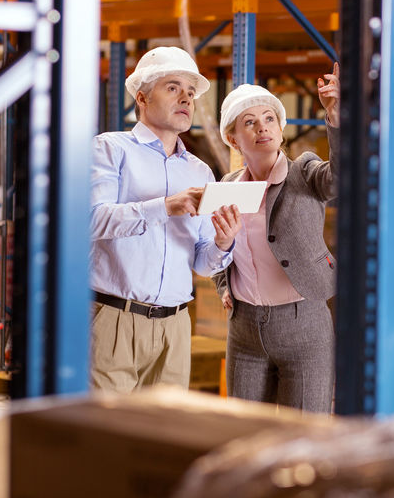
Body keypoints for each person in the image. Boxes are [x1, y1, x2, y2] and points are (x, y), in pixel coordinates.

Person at [89, 46, 241, 393]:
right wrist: (165, 207)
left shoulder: (200, 170)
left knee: (158, 441)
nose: (186, 98)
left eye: (190, 92)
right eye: (173, 87)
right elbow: (91, 220)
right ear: (141, 97)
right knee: (103, 438)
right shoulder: (110, 149)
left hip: (174, 327)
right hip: (113, 319)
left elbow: (203, 264)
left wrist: (223, 243)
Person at [212, 63, 340, 413]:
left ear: (281, 129)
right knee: (246, 432)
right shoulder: (227, 187)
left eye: (269, 119)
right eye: (249, 122)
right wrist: (223, 285)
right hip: (245, 331)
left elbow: (340, 177)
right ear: (233, 138)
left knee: (304, 433)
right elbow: (217, 247)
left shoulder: (304, 172)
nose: (262, 128)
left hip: (304, 325)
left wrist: (336, 119)